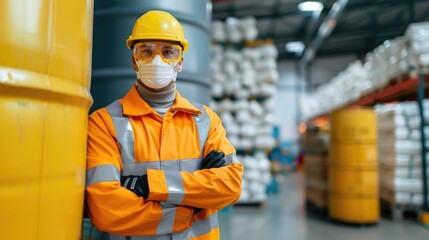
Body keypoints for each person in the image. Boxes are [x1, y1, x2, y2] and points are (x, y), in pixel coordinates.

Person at [85, 10, 243, 240]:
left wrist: (150, 184)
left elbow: (231, 185)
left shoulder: (206, 120)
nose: (157, 60)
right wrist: (191, 207)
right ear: (134, 61)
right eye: (147, 51)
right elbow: (106, 210)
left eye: (168, 52)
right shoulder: (104, 123)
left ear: (180, 62)